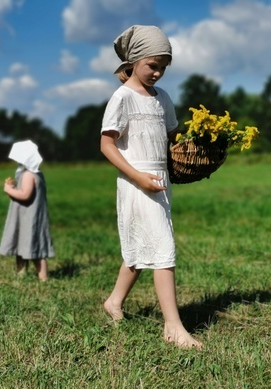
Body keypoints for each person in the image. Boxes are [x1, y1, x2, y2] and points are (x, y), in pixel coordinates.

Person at [100, 25, 201, 349]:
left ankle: (114, 301)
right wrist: (138, 176)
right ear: (134, 60)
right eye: (152, 65)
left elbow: (173, 138)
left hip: (161, 181)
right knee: (162, 248)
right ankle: (173, 327)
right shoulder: (123, 97)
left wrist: (197, 145)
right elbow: (106, 145)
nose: (158, 73)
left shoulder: (163, 99)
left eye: (163, 67)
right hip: (137, 182)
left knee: (142, 246)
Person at [0, 140, 54, 282]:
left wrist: (9, 190)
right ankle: (24, 276)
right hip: (27, 216)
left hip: (29, 217)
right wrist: (14, 186)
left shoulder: (28, 175)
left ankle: (42, 278)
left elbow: (25, 195)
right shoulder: (36, 173)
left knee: (34, 249)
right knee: (24, 246)